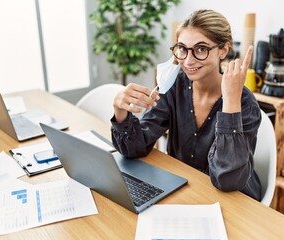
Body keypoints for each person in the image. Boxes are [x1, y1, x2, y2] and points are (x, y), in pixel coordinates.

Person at [111, 9, 262, 201]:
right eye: (182, 48)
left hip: (236, 202)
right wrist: (120, 111)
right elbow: (134, 148)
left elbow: (228, 180)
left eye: (201, 49)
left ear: (223, 50)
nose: (188, 61)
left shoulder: (244, 104)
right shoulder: (175, 86)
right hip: (183, 190)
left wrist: (231, 103)